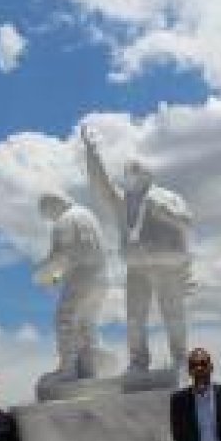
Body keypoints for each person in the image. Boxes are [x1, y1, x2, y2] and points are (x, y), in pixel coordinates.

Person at [81, 126, 192, 373]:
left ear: (148, 174)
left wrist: (165, 211)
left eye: (135, 170)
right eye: (127, 172)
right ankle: (138, 362)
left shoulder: (167, 196)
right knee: (134, 317)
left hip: (165, 262)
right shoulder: (123, 202)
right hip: (136, 266)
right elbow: (101, 188)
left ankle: (180, 359)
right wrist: (92, 153)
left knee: (173, 314)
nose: (130, 175)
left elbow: (186, 221)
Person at [34, 192, 108, 380]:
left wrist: (42, 273)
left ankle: (67, 369)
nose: (50, 219)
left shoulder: (65, 220)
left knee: (65, 319)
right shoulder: (88, 215)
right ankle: (90, 367)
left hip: (80, 276)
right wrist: (56, 277)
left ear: (53, 204)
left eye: (47, 214)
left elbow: (61, 256)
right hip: (101, 278)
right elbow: (81, 250)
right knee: (87, 323)